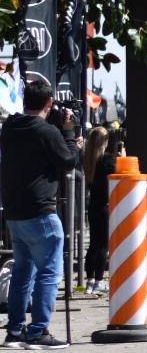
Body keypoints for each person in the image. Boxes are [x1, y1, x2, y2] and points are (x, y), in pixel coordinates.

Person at [1, 80, 79, 349]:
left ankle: (14, 331)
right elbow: (68, 161)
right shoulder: (46, 131)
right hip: (41, 212)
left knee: (23, 272)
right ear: (49, 103)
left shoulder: (10, 128)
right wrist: (70, 135)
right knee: (49, 273)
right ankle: (38, 332)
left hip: (15, 213)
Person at [83, 126, 124, 294]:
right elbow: (120, 173)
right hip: (105, 206)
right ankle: (99, 281)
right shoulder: (107, 160)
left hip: (93, 206)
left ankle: (89, 281)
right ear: (104, 142)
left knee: (93, 244)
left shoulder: (88, 160)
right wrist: (122, 158)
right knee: (103, 246)